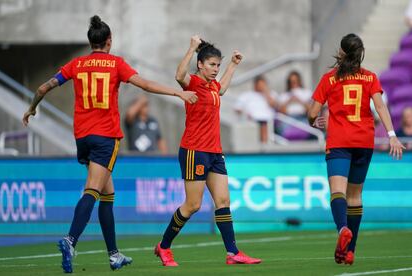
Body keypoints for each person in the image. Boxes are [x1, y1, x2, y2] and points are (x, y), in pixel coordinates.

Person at [22, 15, 197, 273]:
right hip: (105, 136)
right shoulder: (115, 64)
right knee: (92, 189)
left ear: (91, 42)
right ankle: (70, 240)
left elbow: (43, 87)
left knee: (107, 193)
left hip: (82, 136)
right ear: (109, 41)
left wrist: (32, 109)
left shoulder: (77, 64)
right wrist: (177, 92)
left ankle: (114, 254)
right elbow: (145, 84)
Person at [154, 35, 261, 266]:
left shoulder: (212, 86)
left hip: (214, 151)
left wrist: (232, 64)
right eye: (212, 65)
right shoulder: (192, 82)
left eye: (217, 66)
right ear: (200, 64)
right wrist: (191, 48)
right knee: (193, 205)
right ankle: (164, 246)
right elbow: (178, 76)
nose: (215, 69)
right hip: (194, 150)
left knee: (223, 201)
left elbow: (221, 89)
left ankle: (233, 253)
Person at [307, 33, 405, 265]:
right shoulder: (370, 78)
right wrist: (392, 135)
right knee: (355, 196)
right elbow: (380, 106)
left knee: (338, 192)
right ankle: (350, 250)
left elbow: (312, 112)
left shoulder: (329, 79)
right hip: (364, 142)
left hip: (340, 142)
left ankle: (342, 229)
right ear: (359, 53)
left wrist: (314, 122)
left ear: (341, 52)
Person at [234, 75, 277, 143]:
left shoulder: (271, 94)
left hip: (267, 121)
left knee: (264, 124)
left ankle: (264, 144)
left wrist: (265, 92)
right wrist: (245, 113)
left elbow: (274, 105)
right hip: (251, 120)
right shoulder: (247, 95)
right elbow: (237, 109)